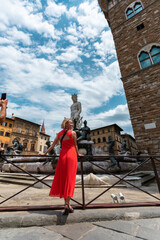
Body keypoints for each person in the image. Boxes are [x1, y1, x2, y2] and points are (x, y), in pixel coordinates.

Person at [41, 118, 83, 215]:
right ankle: (67, 204)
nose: (72, 124)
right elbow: (75, 145)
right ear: (67, 124)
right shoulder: (73, 133)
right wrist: (78, 154)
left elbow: (52, 146)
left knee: (64, 180)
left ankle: (67, 204)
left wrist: (45, 153)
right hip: (72, 157)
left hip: (63, 157)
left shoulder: (59, 134)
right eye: (71, 123)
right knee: (70, 180)